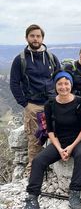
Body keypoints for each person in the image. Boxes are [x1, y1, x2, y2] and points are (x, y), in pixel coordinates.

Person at [24, 70, 81, 209]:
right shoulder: (50, 104)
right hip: (59, 141)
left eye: (66, 83)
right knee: (38, 161)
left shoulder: (80, 102)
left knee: (80, 155)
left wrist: (71, 147)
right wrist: (60, 149)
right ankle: (32, 197)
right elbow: (50, 130)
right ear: (55, 86)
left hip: (79, 140)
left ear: (71, 85)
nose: (63, 87)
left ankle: (74, 193)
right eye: (59, 84)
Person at [10, 24, 60, 175]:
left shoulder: (51, 57)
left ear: (42, 38)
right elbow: (14, 83)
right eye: (32, 36)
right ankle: (34, 169)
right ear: (27, 38)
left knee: (58, 133)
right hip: (33, 105)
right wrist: (25, 104)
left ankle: (55, 166)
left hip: (52, 103)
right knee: (35, 139)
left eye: (38, 36)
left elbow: (59, 77)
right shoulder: (20, 60)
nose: (35, 39)